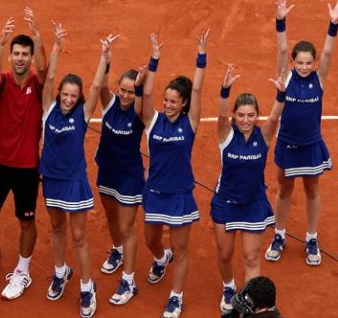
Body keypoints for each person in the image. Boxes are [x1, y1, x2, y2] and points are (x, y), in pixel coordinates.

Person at [0, 7, 47, 300]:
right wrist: (0, 45)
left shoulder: (38, 86)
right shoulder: (2, 82)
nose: (19, 58)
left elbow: (44, 70)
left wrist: (39, 38)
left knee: (27, 222)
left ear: (29, 57)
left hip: (28, 167)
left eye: (24, 54)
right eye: (15, 53)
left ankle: (22, 271)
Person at [137, 29, 210, 318]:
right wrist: (154, 60)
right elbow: (146, 93)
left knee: (181, 251)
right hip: (154, 193)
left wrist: (201, 56)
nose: (167, 104)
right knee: (151, 241)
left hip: (179, 196)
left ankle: (176, 296)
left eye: (173, 101)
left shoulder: (190, 123)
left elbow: (198, 90)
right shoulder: (152, 120)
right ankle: (159, 258)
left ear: (183, 104)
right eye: (165, 100)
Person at [40, 23, 109, 318]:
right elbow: (50, 76)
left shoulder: (82, 113)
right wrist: (55, 45)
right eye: (65, 95)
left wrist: (105, 57)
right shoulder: (48, 108)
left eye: (73, 95)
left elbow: (95, 87)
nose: (68, 99)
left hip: (73, 182)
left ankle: (86, 286)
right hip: (51, 179)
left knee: (79, 236)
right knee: (56, 228)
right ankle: (60, 271)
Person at [265, 0, 338, 266]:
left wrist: (333, 25)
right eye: (300, 62)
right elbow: (282, 48)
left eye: (309, 62)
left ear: (313, 63)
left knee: (312, 189)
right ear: (293, 62)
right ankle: (280, 235)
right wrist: (280, 20)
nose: (304, 67)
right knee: (284, 190)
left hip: (310, 145)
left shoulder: (319, 79)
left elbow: (329, 54)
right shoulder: (285, 78)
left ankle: (311, 237)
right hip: (287, 144)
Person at [212, 65, 286, 313]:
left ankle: (249, 304)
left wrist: (281, 95)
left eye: (251, 115)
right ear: (235, 115)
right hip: (226, 202)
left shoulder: (263, 136)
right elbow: (221, 115)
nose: (246, 120)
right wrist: (225, 90)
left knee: (252, 258)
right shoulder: (226, 134)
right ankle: (229, 286)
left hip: (253, 203)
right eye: (241, 115)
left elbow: (274, 118)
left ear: (257, 116)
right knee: (224, 254)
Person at [96, 34, 160, 306]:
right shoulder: (109, 103)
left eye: (130, 91)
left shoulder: (137, 112)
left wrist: (141, 83)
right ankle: (118, 251)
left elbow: (142, 97)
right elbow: (99, 85)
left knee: (126, 227)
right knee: (112, 220)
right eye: (122, 89)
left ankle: (129, 280)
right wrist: (105, 59)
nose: (124, 94)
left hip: (129, 177)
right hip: (106, 172)